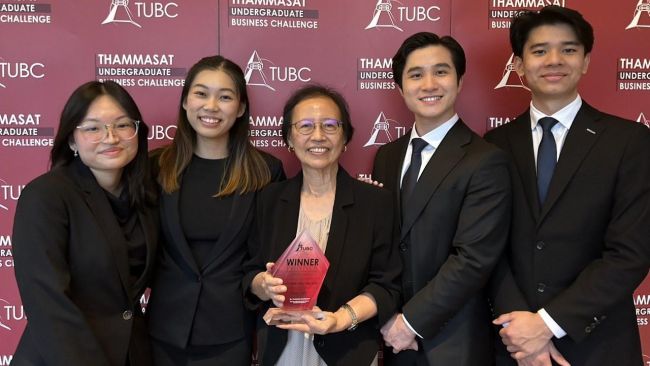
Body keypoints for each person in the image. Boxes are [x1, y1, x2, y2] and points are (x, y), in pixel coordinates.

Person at [486, 6, 650, 366]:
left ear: (587, 61)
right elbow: (487, 248)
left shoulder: (629, 141)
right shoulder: (493, 144)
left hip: (599, 343)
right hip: (513, 345)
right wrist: (523, 330)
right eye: (540, 50)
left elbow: (630, 253)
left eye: (569, 49)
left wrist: (547, 324)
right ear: (518, 64)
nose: (554, 60)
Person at [371, 32, 512, 365]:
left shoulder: (485, 159)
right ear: (400, 86)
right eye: (416, 74)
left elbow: (473, 258)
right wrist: (387, 316)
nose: (429, 84)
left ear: (460, 81)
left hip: (452, 342)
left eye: (441, 72)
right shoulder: (387, 156)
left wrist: (411, 322)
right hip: (391, 337)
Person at [244, 85, 401, 366]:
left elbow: (386, 285)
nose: (318, 135)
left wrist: (341, 319)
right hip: (282, 351)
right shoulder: (269, 199)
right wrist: (264, 285)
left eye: (330, 125)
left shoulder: (375, 202)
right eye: (305, 126)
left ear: (345, 138)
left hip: (347, 351)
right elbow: (249, 273)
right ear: (289, 139)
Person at [146, 55, 285, 366]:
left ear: (241, 108)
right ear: (184, 101)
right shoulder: (154, 166)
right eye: (200, 93)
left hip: (230, 332)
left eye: (225, 97)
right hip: (163, 329)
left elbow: (270, 250)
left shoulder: (266, 170)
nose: (211, 106)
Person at [12, 80, 159, 366]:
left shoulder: (146, 196)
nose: (111, 137)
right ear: (71, 140)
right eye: (93, 128)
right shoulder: (46, 195)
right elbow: (48, 303)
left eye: (122, 125)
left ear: (138, 132)